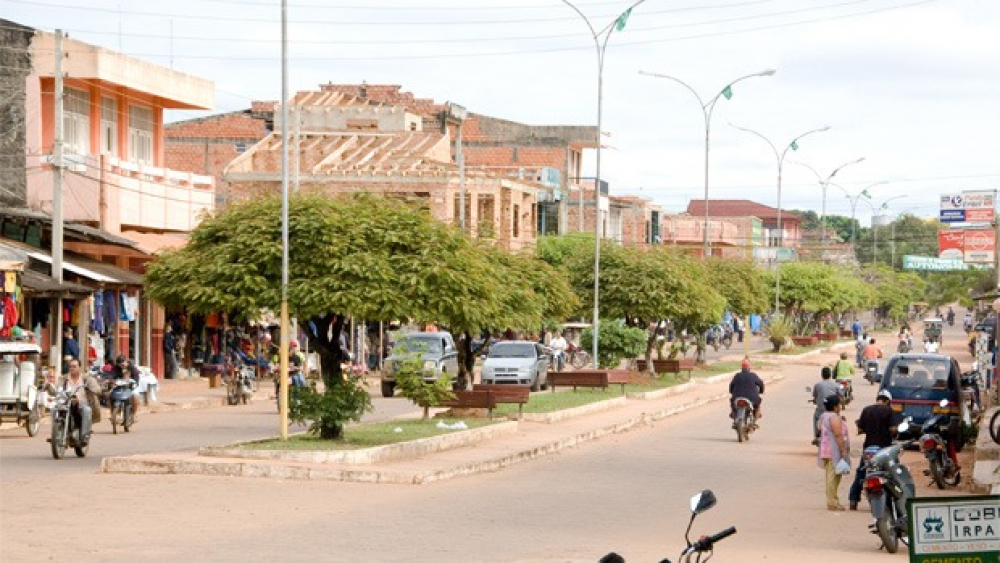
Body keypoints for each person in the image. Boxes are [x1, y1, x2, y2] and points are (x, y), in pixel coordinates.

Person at [848, 390, 900, 510]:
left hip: (869, 449)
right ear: (887, 401)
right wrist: (895, 432)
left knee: (861, 473)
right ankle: (896, 499)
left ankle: (853, 499)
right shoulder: (889, 411)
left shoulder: (866, 410)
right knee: (894, 471)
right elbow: (893, 429)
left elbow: (860, 429)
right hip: (884, 449)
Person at [57, 358, 102, 447]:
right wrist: (49, 387)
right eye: (70, 366)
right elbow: (57, 389)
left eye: (74, 366)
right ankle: (56, 434)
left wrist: (92, 389)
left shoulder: (87, 378)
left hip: (82, 404)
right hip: (67, 403)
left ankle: (84, 435)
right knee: (55, 409)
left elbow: (97, 389)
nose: (72, 368)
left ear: (79, 367)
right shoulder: (64, 378)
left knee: (87, 410)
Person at [817, 394, 851, 511]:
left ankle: (833, 500)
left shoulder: (823, 416)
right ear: (836, 406)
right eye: (839, 405)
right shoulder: (834, 418)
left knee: (831, 476)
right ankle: (832, 502)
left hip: (825, 450)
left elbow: (820, 429)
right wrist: (843, 450)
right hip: (833, 451)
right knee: (833, 477)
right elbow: (838, 435)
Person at [729, 359, 764, 423]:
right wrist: (761, 391)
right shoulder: (753, 375)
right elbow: (761, 384)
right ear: (749, 368)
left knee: (732, 404)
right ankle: (755, 419)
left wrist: (732, 392)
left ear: (741, 368)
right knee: (757, 405)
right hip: (752, 398)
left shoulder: (737, 375)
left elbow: (731, 386)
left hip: (737, 397)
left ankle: (733, 414)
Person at [811, 366, 840, 445]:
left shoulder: (817, 385)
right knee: (838, 419)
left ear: (822, 375)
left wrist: (815, 400)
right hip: (833, 410)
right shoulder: (835, 385)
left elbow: (815, 396)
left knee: (815, 418)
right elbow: (840, 395)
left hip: (820, 410)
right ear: (830, 375)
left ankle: (816, 436)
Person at [108, 355, 141, 422]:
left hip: (131, 386)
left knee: (135, 396)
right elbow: (111, 375)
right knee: (109, 395)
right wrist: (110, 380)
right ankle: (112, 413)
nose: (121, 366)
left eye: (123, 364)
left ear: (126, 362)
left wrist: (135, 383)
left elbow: (136, 376)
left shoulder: (132, 367)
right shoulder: (115, 368)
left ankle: (134, 414)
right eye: (120, 365)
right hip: (119, 386)